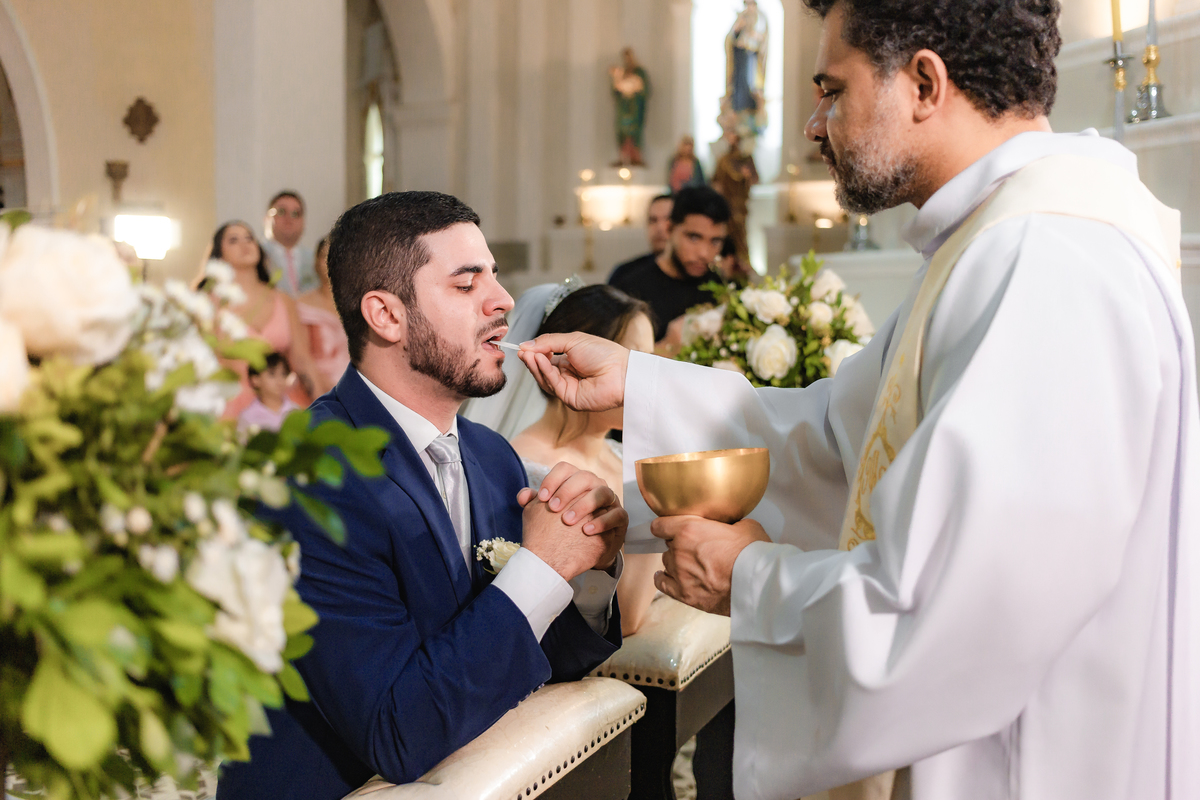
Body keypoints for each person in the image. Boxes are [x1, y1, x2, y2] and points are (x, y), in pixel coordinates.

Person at [517, 1, 1199, 799]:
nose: (813, 124)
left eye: (832, 91)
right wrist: (637, 383)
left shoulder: (1043, 263)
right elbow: (842, 440)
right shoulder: (992, 245)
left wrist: (753, 581)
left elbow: (965, 619)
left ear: (923, 83)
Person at [215, 191, 627, 800]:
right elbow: (397, 732)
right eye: (467, 284)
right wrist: (539, 566)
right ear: (386, 315)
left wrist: (587, 568)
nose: (504, 300)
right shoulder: (308, 473)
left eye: (494, 275)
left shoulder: (492, 456)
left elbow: (543, 661)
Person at [503, 283, 661, 637]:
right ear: (573, 364)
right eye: (631, 363)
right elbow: (627, 617)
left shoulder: (622, 454)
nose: (647, 382)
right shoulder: (528, 467)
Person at [206, 221, 326, 419]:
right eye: (234, 240)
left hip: (281, 404)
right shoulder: (208, 302)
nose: (245, 244)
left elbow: (302, 359)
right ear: (219, 254)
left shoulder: (283, 299)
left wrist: (324, 407)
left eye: (249, 238)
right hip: (227, 407)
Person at [608, 186, 730, 351]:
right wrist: (667, 347)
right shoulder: (630, 288)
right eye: (694, 237)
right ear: (670, 229)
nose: (704, 253)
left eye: (715, 241)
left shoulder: (717, 284)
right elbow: (612, 362)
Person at [297, 235, 351, 390]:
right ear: (315, 262)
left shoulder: (361, 304)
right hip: (315, 388)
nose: (330, 262)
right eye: (325, 256)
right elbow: (300, 357)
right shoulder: (301, 305)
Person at [711, 130, 758, 269]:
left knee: (740, 235)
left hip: (739, 204)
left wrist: (746, 176)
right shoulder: (723, 160)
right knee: (726, 233)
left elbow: (755, 179)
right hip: (726, 204)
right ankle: (726, 260)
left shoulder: (746, 159)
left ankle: (742, 262)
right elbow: (716, 181)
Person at [262, 190, 320, 297]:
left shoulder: (316, 260)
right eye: (281, 212)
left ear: (304, 222)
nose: (289, 219)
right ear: (266, 219)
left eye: (295, 214)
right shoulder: (258, 256)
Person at [237, 351, 299, 433]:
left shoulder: (295, 412)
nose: (280, 381)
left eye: (283, 374)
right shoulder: (248, 417)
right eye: (272, 374)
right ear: (255, 379)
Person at [610, 47, 649, 167]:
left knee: (634, 132)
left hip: (635, 108)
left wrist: (635, 89)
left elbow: (645, 90)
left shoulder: (640, 72)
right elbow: (615, 92)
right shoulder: (622, 73)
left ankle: (636, 156)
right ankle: (624, 157)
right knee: (622, 131)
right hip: (624, 108)